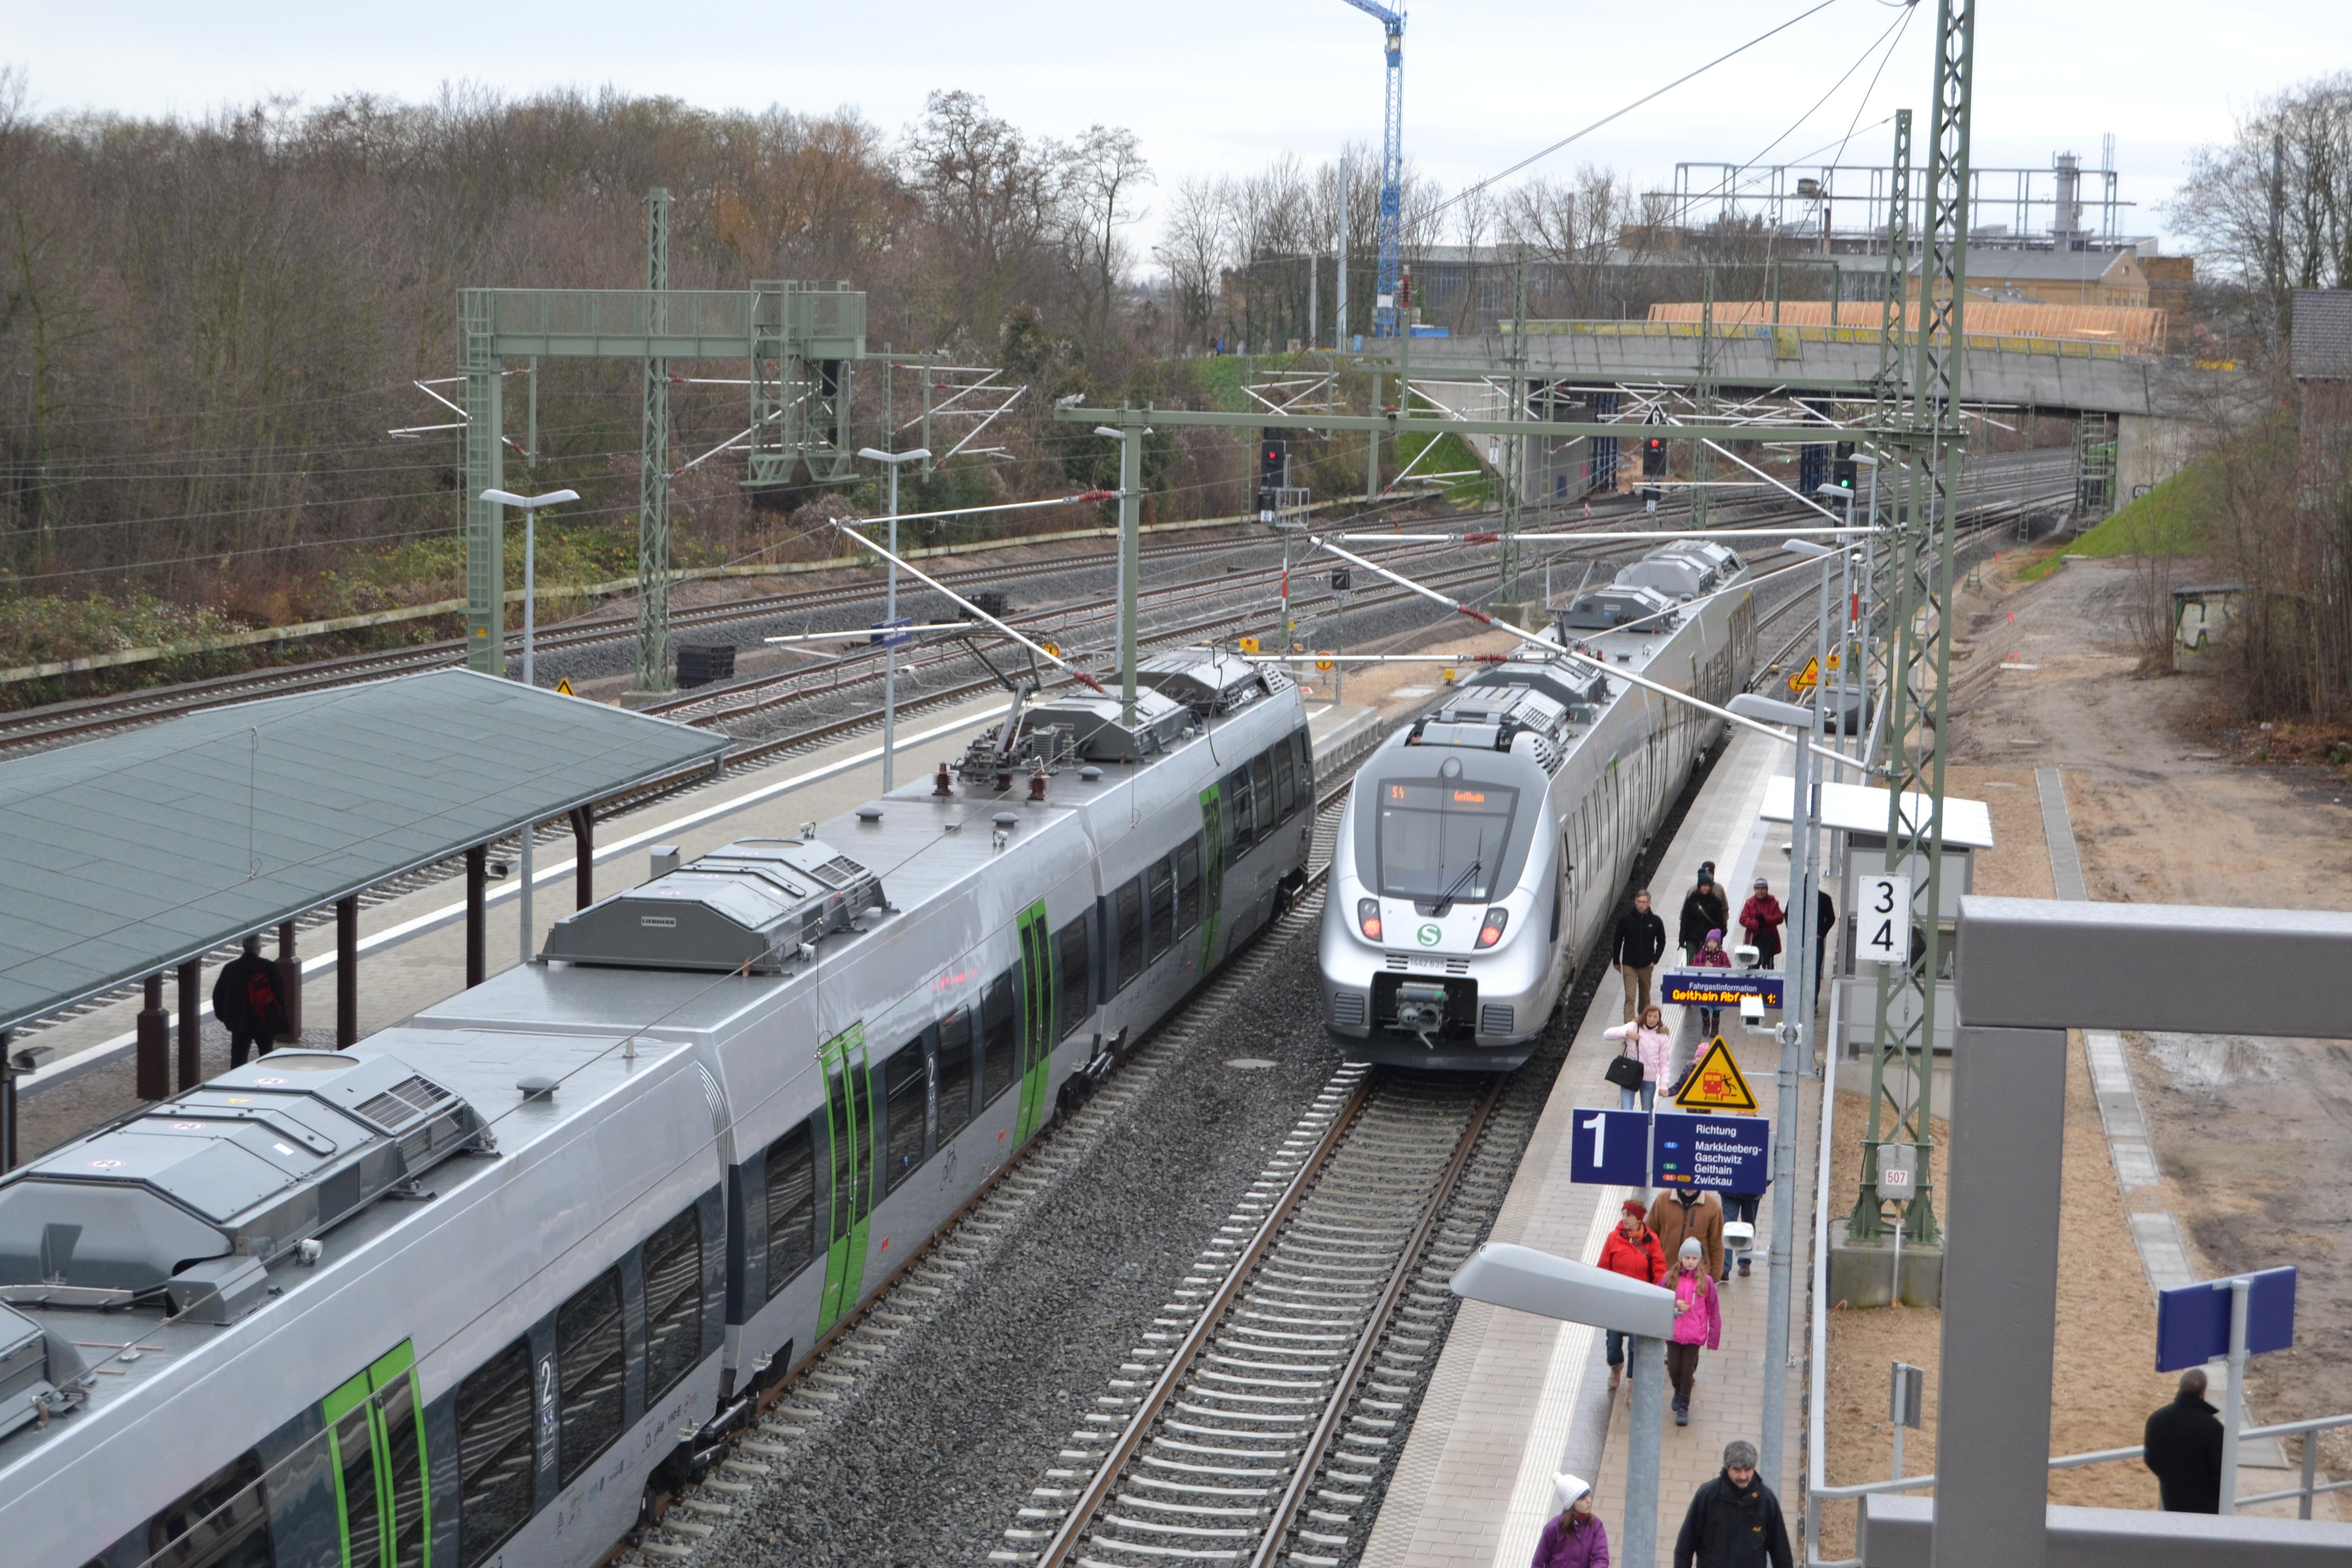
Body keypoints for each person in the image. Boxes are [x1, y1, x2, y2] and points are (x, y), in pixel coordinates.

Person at [1674, 1441, 1794, 1568]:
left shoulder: (1766, 1500)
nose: (1743, 1476)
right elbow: (1685, 1546)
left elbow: (1781, 1552)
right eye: (1737, 1470)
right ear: (1728, 1468)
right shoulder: (1707, 1496)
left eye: (1748, 1470)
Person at [1597, 1199, 1665, 1392]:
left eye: (1629, 1215)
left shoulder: (1652, 1241)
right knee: (1613, 1345)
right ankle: (1616, 1367)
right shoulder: (1614, 1238)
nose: (1625, 1219)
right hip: (1617, 1302)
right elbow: (1603, 1269)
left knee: (1637, 1345)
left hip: (1640, 1303)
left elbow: (1660, 1271)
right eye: (1623, 1214)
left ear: (1639, 1219)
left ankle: (1631, 1384)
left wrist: (1653, 1296)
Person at [2143, 1368, 2224, 1513]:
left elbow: (2150, 1458)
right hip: (2207, 1505)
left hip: (2172, 1497)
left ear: (2180, 1388)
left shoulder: (2157, 1419)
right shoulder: (2213, 1427)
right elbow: (2220, 1471)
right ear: (2203, 1394)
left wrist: (2169, 1476)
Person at [1664, 1237, 1722, 1426]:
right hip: (1673, 1332)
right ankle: (1678, 1390)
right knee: (1674, 1368)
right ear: (1681, 1258)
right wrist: (1675, 1304)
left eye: (1694, 1258)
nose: (1690, 1261)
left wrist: (1713, 1337)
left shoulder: (1706, 1282)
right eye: (1687, 1257)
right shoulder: (1669, 1279)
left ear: (1699, 1260)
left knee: (1687, 1370)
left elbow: (1714, 1310)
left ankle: (1684, 1406)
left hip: (1694, 1335)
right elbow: (1657, 1298)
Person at [211, 934, 289, 1068]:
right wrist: (278, 1019)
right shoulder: (269, 967)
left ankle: (237, 1084)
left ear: (244, 947)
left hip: (239, 1022)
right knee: (266, 1057)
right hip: (264, 1020)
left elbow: (218, 994)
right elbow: (279, 994)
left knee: (238, 1059)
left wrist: (224, 1017)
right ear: (259, 947)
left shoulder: (231, 968)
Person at [1648, 1185, 1725, 1283]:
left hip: (1698, 1277)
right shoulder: (1662, 1200)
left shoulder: (1713, 1207)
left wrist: (1715, 1276)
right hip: (1667, 1272)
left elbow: (1717, 1244)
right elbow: (1651, 1234)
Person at [1532, 1472, 1610, 1568]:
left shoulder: (1596, 1525)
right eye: (1582, 1499)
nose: (1589, 1501)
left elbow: (1601, 1558)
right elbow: (1539, 1562)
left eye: (1588, 1495)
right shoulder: (1552, 1528)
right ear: (1571, 1504)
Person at [1612, 890, 1668, 1020]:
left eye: (1644, 902)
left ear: (1649, 903)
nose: (1641, 905)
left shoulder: (1656, 921)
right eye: (1639, 902)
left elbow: (1662, 941)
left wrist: (1655, 960)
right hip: (1629, 964)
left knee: (1645, 997)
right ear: (1635, 902)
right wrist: (1616, 960)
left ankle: (1644, 1025)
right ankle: (1629, 1029)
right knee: (1630, 997)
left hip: (1647, 965)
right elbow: (1618, 940)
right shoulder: (1625, 920)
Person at [1603, 1006, 1671, 1111]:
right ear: (1645, 1016)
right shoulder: (1634, 1027)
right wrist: (1627, 1033)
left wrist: (1664, 1086)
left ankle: (1646, 1128)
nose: (1652, 1019)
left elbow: (1664, 1063)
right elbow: (1607, 1034)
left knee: (1647, 1111)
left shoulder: (1663, 1037)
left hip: (1649, 1078)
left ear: (1659, 1019)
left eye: (1655, 1017)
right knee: (1626, 1110)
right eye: (1650, 1016)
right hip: (1630, 1075)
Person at [1678, 867, 1729, 963]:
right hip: (1692, 938)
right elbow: (1685, 920)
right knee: (1692, 963)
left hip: (1709, 940)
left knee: (1706, 963)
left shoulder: (1715, 901)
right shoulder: (1691, 900)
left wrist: (1720, 937)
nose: (1707, 888)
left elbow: (1719, 921)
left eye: (1709, 886)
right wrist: (1682, 938)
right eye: (1704, 886)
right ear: (1700, 886)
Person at [1689, 929, 1732, 1038]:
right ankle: (1706, 1024)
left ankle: (1715, 1027)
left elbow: (1728, 967)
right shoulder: (1703, 953)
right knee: (1703, 1006)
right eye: (1710, 942)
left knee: (1717, 1008)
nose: (1711, 944)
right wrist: (1704, 965)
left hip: (1718, 986)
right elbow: (1693, 963)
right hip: (1705, 986)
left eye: (1714, 942)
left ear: (1718, 943)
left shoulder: (1722, 955)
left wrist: (1715, 966)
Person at [1738, 878, 1785, 972]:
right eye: (1758, 889)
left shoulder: (1773, 902)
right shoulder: (1750, 903)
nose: (1760, 892)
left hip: (1769, 941)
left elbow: (1780, 918)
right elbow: (1743, 919)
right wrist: (1756, 924)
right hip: (1754, 940)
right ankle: (1751, 986)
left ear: (1767, 890)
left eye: (1763, 889)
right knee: (1753, 966)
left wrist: (1766, 919)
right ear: (1755, 890)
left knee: (1768, 967)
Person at [1812, 886, 1835, 1007]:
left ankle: (1813, 1002)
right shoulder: (1798, 897)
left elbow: (1831, 918)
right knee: (1799, 971)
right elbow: (1788, 914)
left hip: (1816, 941)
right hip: (1801, 941)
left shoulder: (1824, 899)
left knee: (1815, 971)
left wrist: (1821, 935)